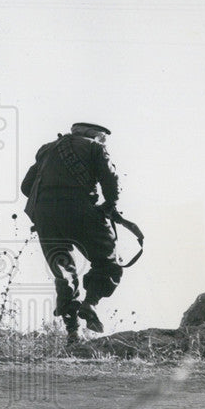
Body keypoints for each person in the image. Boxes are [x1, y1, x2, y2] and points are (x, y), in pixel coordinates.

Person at [21, 122, 125, 344]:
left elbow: (26, 186)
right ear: (95, 135)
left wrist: (50, 200)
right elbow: (110, 181)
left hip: (45, 215)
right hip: (79, 209)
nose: (103, 142)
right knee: (108, 260)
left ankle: (72, 332)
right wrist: (109, 205)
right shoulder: (94, 147)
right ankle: (91, 304)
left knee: (64, 271)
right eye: (103, 138)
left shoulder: (47, 149)